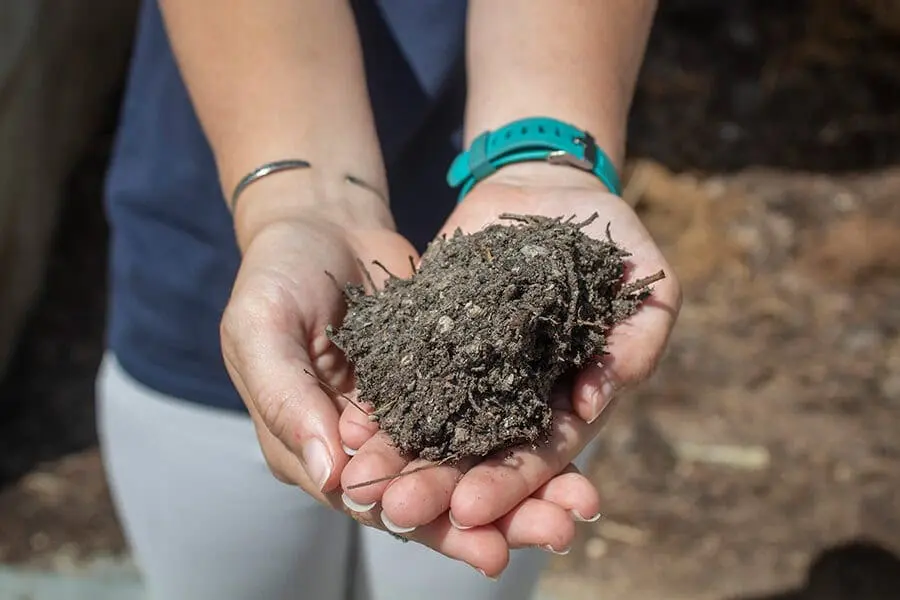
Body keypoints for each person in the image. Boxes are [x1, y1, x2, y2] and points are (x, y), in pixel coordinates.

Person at [96, 0, 681, 598]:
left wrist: (541, 152)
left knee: (468, 553)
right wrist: (306, 201)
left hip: (496, 174)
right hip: (229, 224)